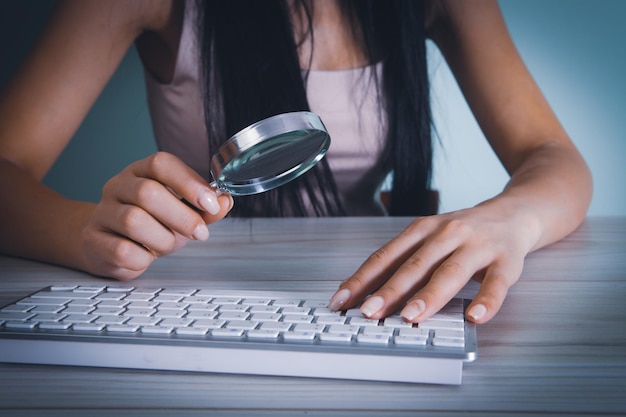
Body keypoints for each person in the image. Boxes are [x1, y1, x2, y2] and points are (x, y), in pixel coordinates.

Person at [0, 0, 592, 325]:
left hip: (363, 293)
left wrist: (513, 219)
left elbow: (555, 157)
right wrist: (83, 234)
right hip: (190, 294)